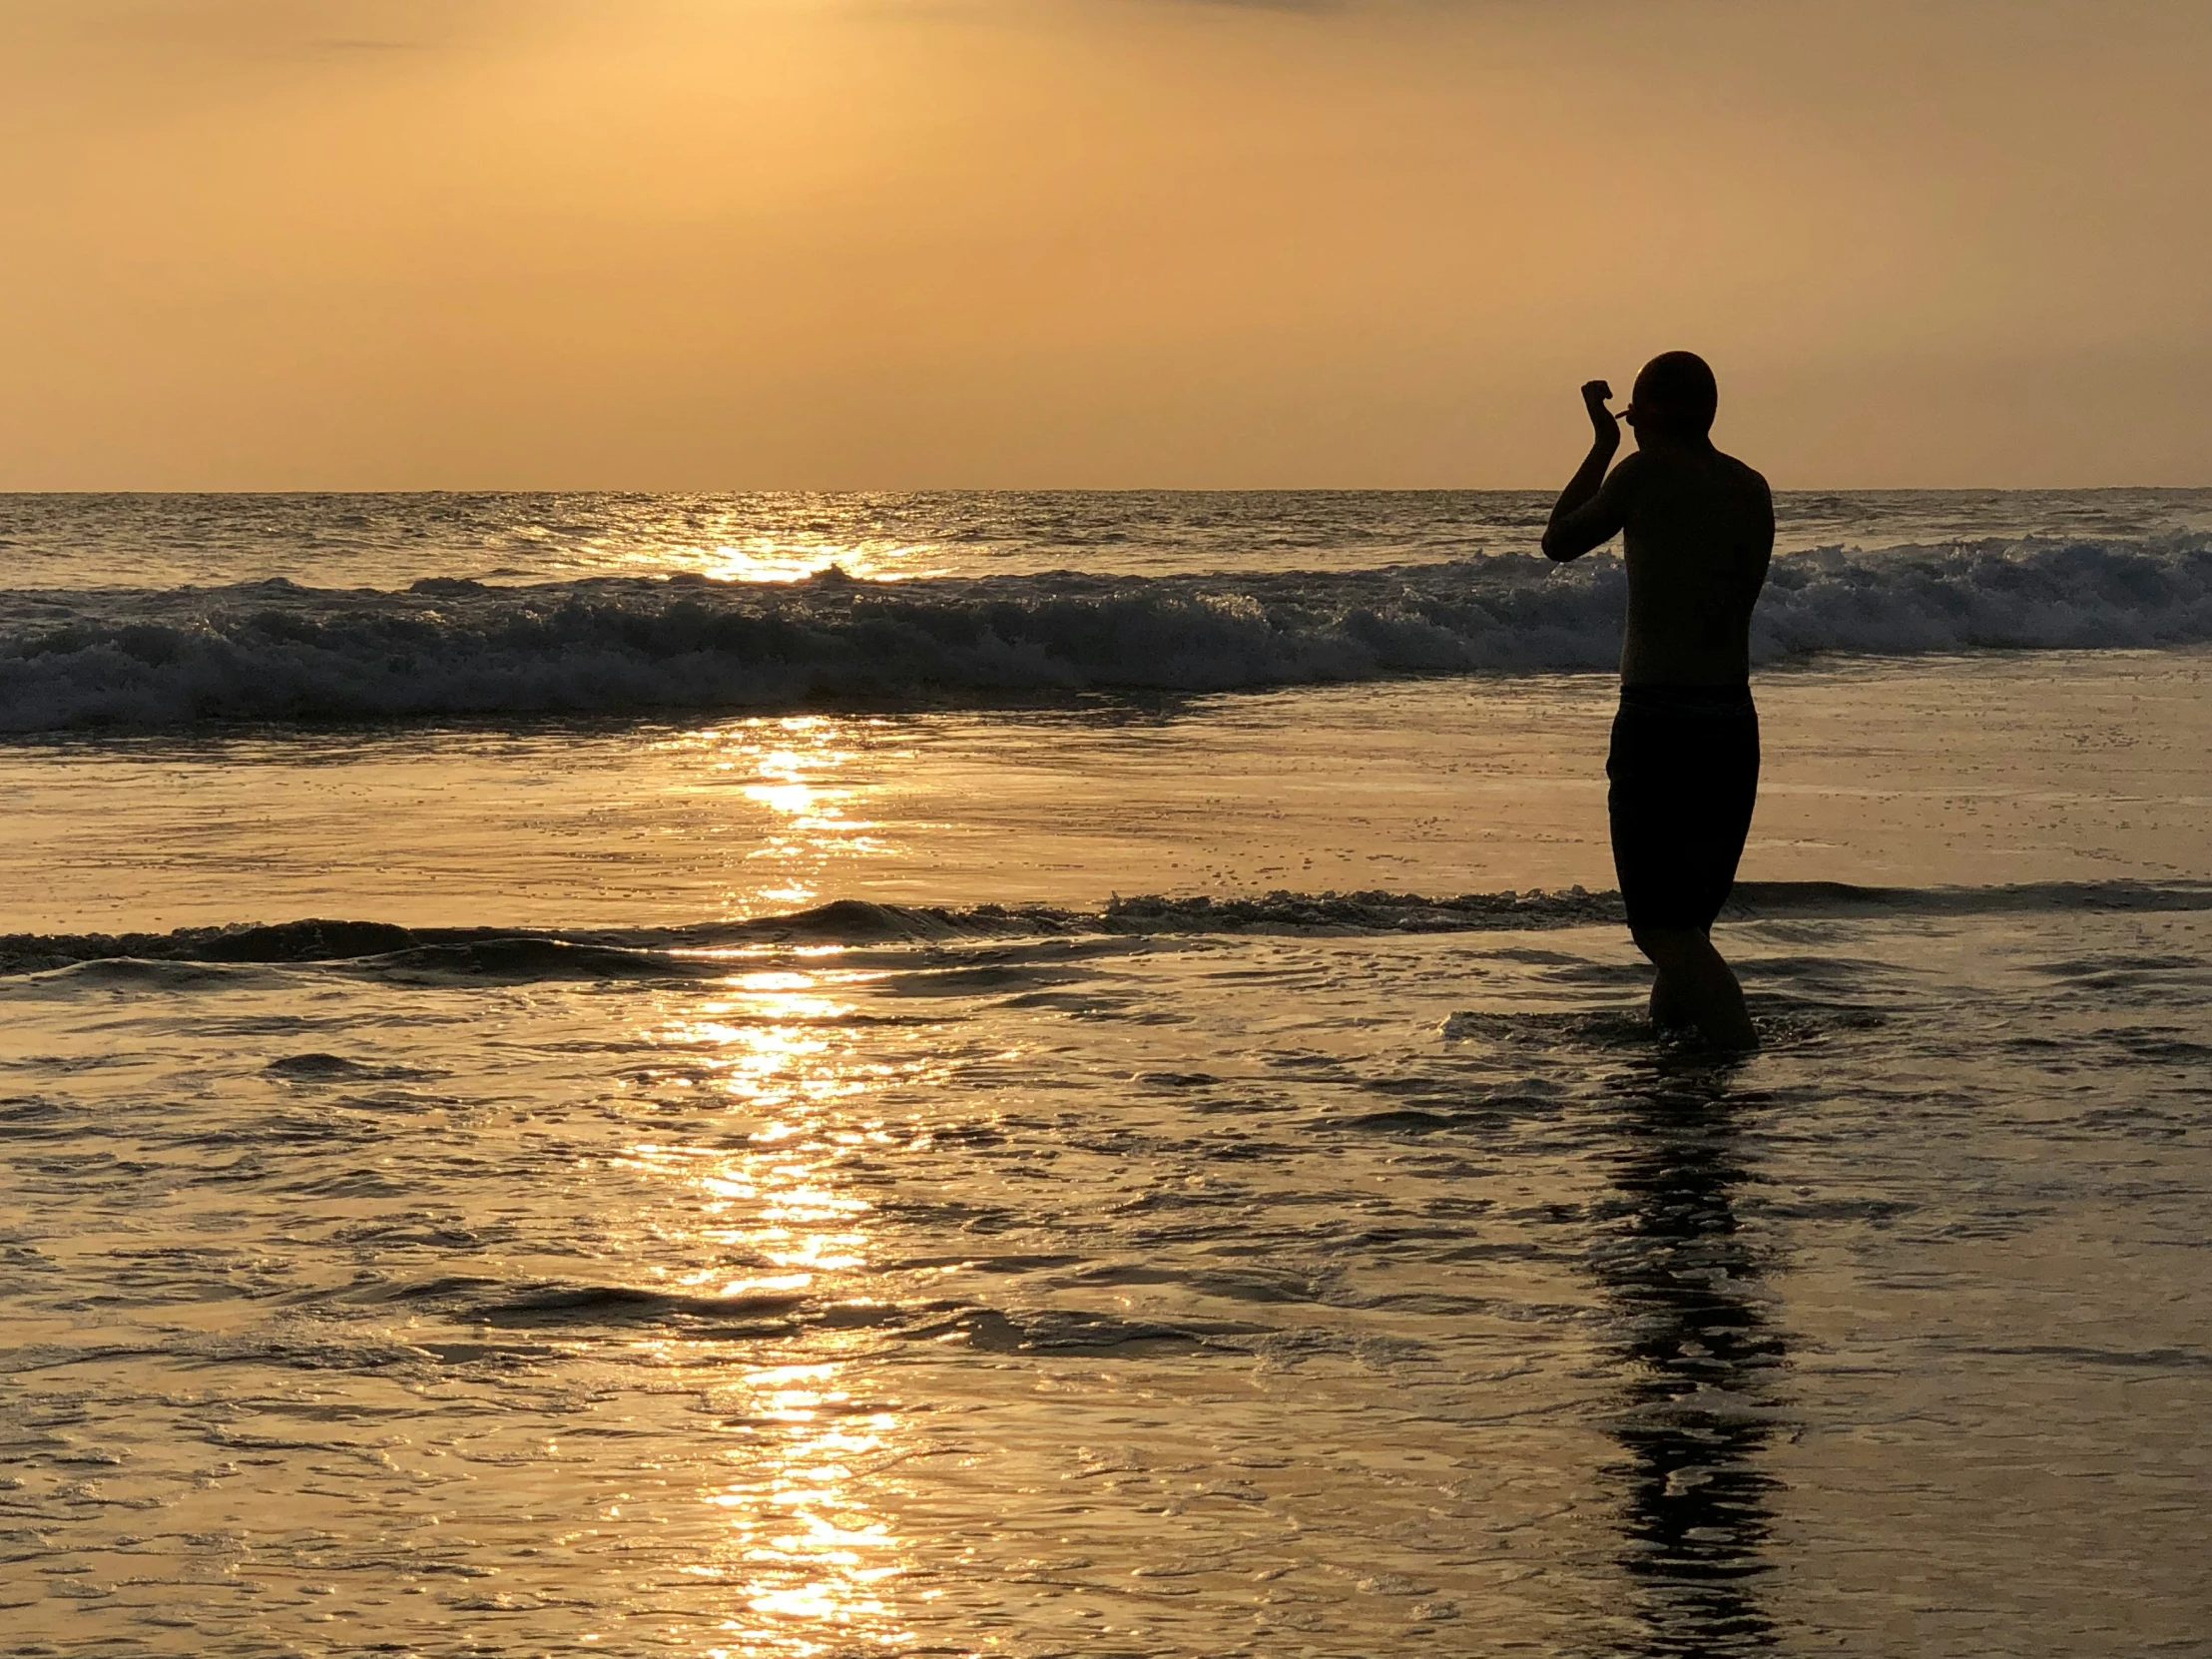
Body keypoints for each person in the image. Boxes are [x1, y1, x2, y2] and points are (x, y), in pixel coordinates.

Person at [1541, 351, 1773, 1049]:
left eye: (1636, 408)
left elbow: (1559, 541)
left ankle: (1737, 1053)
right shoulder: (1750, 487)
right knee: (1690, 928)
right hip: (1731, 724)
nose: (1629, 418)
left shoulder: (1643, 474)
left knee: (1659, 928)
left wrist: (1602, 445)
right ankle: (1681, 1077)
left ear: (1657, 413)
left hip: (1659, 723)